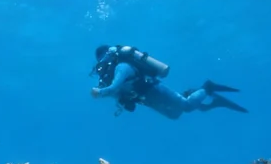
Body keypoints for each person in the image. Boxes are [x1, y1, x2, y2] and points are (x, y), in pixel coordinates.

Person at [89, 44, 247, 119]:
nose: (102, 67)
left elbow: (113, 87)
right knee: (175, 114)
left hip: (153, 89)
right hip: (144, 98)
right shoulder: (109, 75)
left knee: (187, 106)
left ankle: (207, 87)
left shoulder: (123, 67)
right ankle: (206, 100)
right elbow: (117, 93)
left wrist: (100, 92)